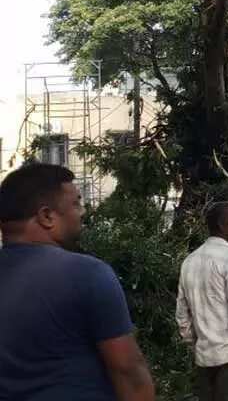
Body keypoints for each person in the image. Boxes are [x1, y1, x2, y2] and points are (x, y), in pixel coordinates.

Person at [0, 164, 155, 401]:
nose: (83, 211)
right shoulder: (87, 274)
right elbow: (128, 372)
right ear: (47, 216)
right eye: (76, 203)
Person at [176, 201, 228, 401]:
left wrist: (195, 343)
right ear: (224, 224)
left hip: (205, 360)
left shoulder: (189, 261)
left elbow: (182, 313)